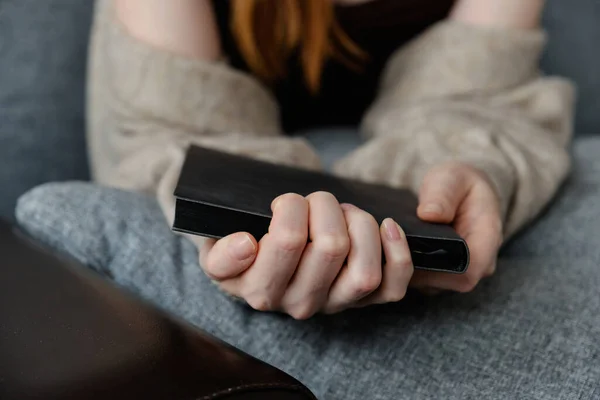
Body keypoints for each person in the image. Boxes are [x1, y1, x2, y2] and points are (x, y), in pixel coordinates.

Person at [15, 0, 594, 397]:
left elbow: (483, 92)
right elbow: (164, 127)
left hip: (407, 169)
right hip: (229, 161)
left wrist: (460, 180)